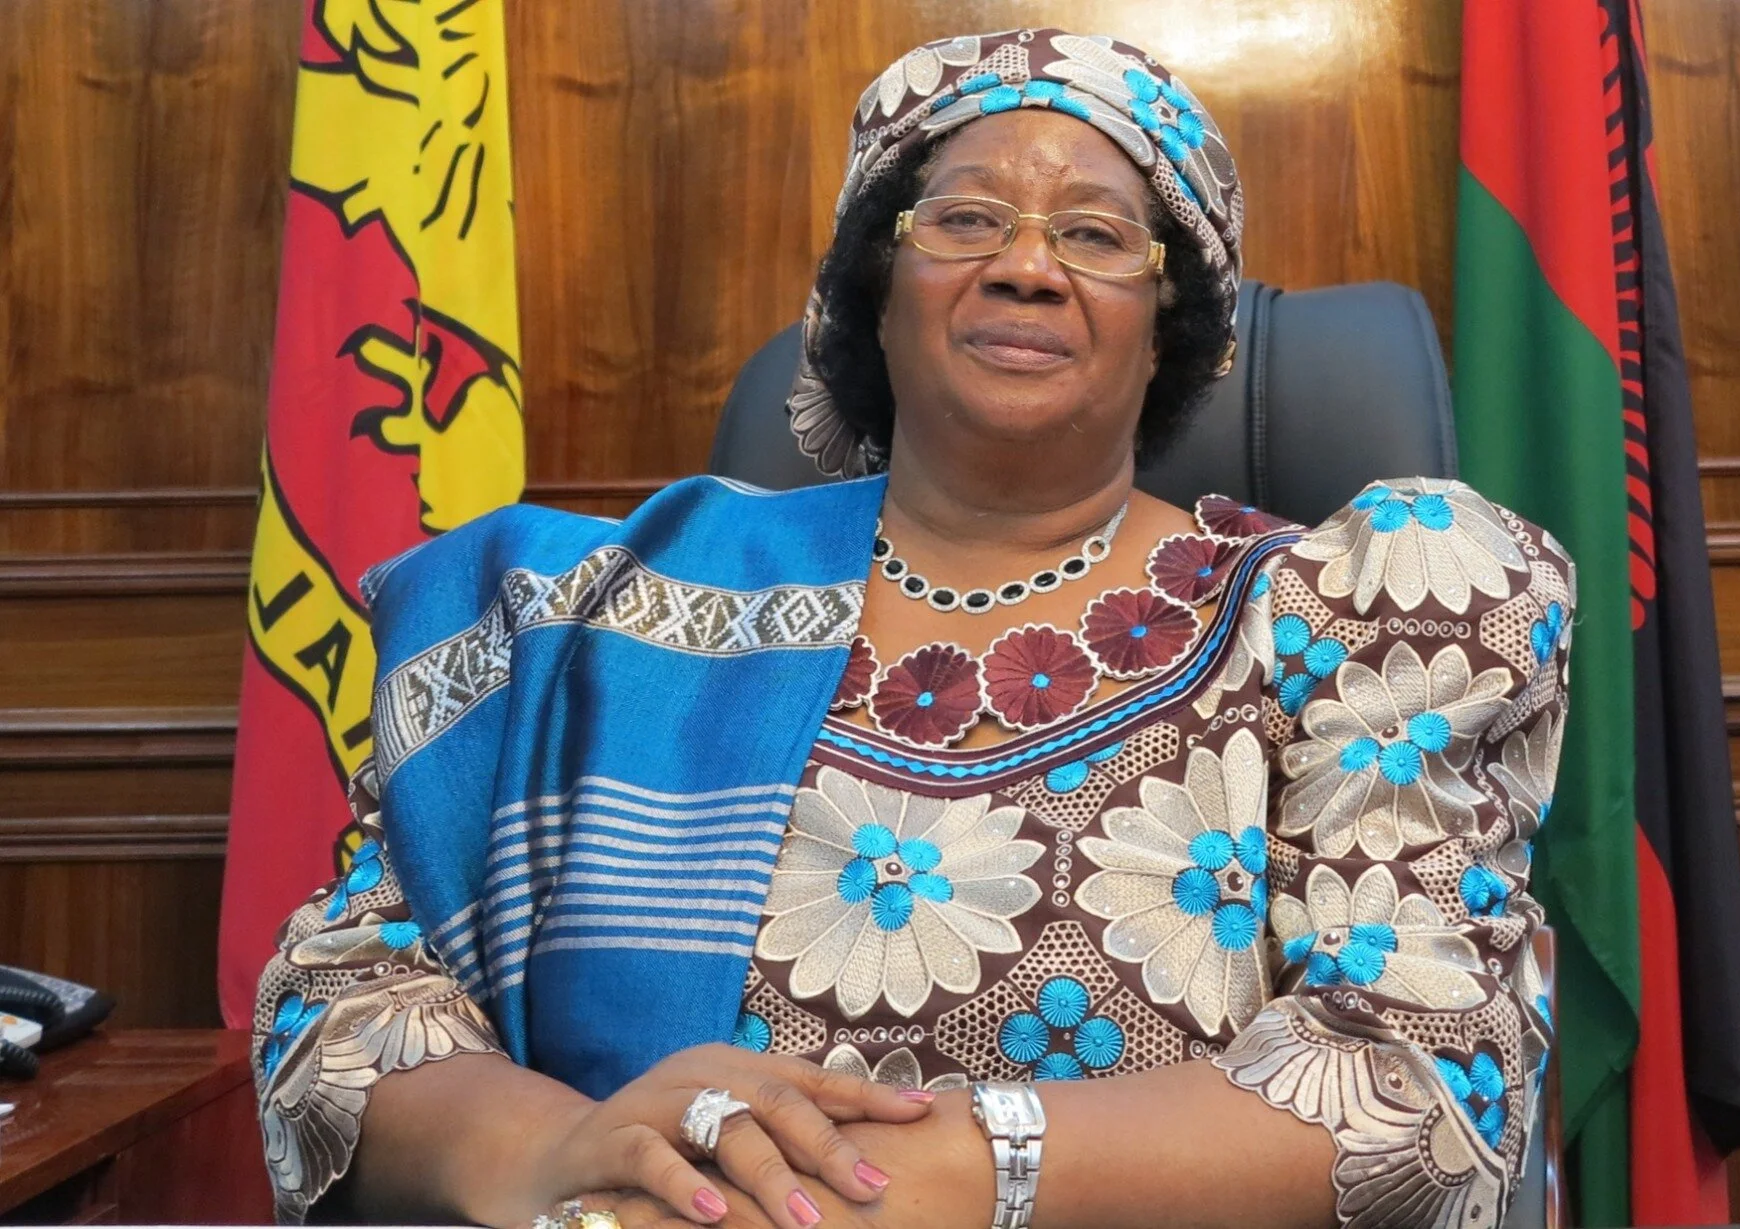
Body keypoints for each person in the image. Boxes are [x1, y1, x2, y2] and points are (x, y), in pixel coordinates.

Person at [252, 28, 1571, 1229]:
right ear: (874, 293)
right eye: (966, 218)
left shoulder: (1337, 622)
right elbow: (343, 1008)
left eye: (1097, 236)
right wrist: (565, 1152)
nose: (1027, 267)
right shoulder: (585, 619)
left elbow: (1425, 1084)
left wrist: (918, 1181)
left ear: (1170, 327)